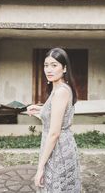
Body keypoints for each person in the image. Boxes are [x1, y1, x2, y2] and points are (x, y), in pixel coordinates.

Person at [26, 47, 81, 192]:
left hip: (58, 149)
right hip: (61, 145)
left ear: (64, 69)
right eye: (46, 65)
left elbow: (54, 133)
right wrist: (39, 109)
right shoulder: (60, 88)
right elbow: (56, 111)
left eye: (54, 65)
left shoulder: (60, 92)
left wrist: (40, 167)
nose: (48, 70)